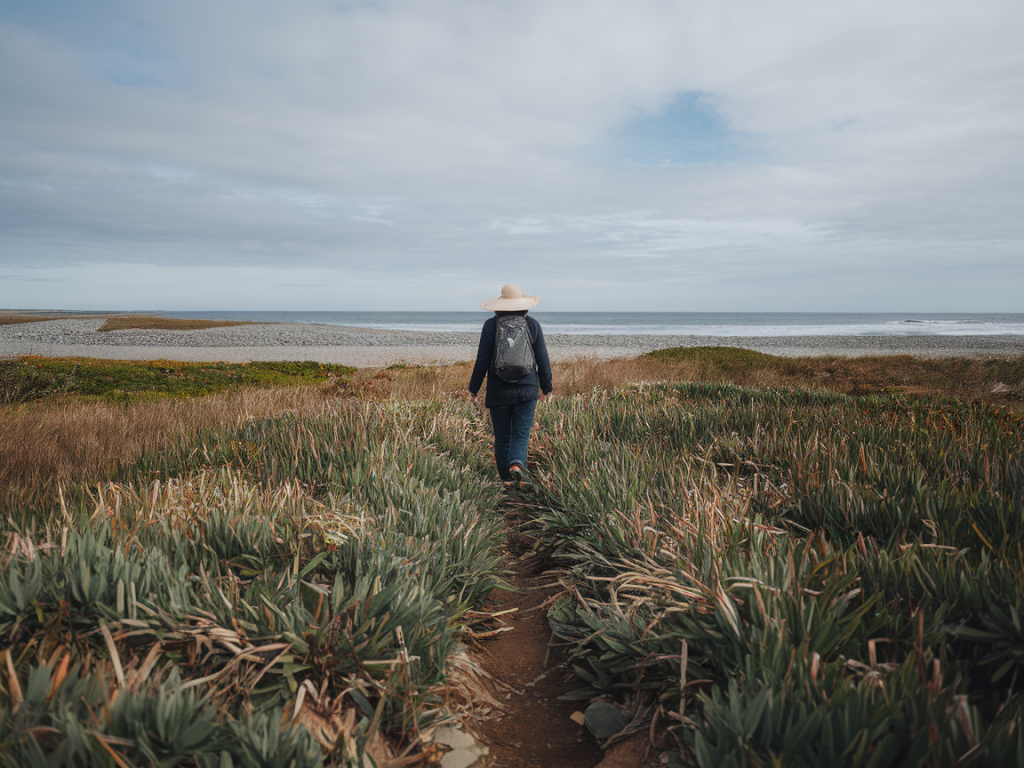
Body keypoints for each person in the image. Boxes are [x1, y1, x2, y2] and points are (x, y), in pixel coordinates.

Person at [469, 283, 553, 484]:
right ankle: (517, 464)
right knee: (520, 435)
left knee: (502, 438)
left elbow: (482, 360)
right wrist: (546, 387)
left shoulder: (491, 326)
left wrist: (474, 388)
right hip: (527, 390)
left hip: (498, 392)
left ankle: (507, 481)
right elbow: (542, 358)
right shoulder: (532, 325)